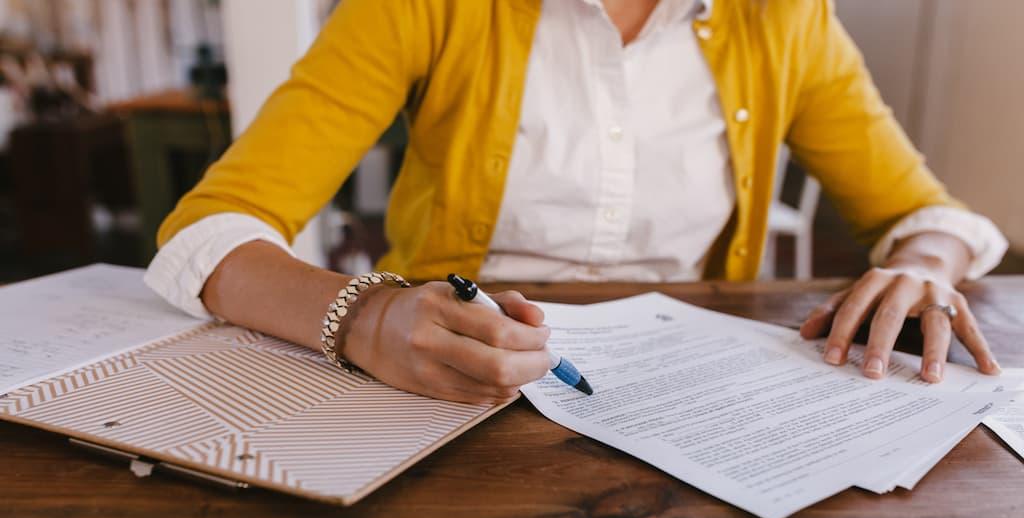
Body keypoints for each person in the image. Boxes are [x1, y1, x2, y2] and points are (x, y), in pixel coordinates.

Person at [145, 0, 1008, 404]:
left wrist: (924, 268)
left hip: (688, 393)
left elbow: (926, 215)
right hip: (440, 383)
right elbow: (208, 235)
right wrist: (368, 320)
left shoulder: (783, 18)